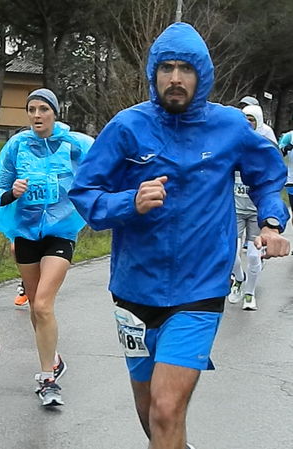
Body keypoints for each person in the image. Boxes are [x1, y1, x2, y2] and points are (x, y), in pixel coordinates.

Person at [69, 23, 289, 448]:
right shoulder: (127, 127)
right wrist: (128, 202)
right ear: (153, 73)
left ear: (201, 75)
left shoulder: (229, 126)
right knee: (151, 413)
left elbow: (267, 178)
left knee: (167, 409)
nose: (174, 78)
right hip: (133, 290)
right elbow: (85, 193)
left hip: (199, 289)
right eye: (166, 67)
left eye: (185, 69)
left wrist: (271, 222)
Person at [0, 88, 94, 407]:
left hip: (61, 233)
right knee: (35, 306)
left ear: (55, 112)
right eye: (31, 109)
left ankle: (47, 379)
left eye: (43, 109)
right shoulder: (17, 145)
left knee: (43, 304)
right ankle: (53, 358)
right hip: (27, 234)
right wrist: (12, 193)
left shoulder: (75, 144)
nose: (36, 115)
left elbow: (106, 168)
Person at [228, 105, 277, 310]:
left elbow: (273, 180)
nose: (248, 123)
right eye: (244, 118)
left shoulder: (265, 146)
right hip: (236, 209)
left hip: (256, 211)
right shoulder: (231, 144)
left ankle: (249, 294)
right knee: (230, 253)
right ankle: (239, 279)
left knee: (253, 255)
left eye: (252, 119)